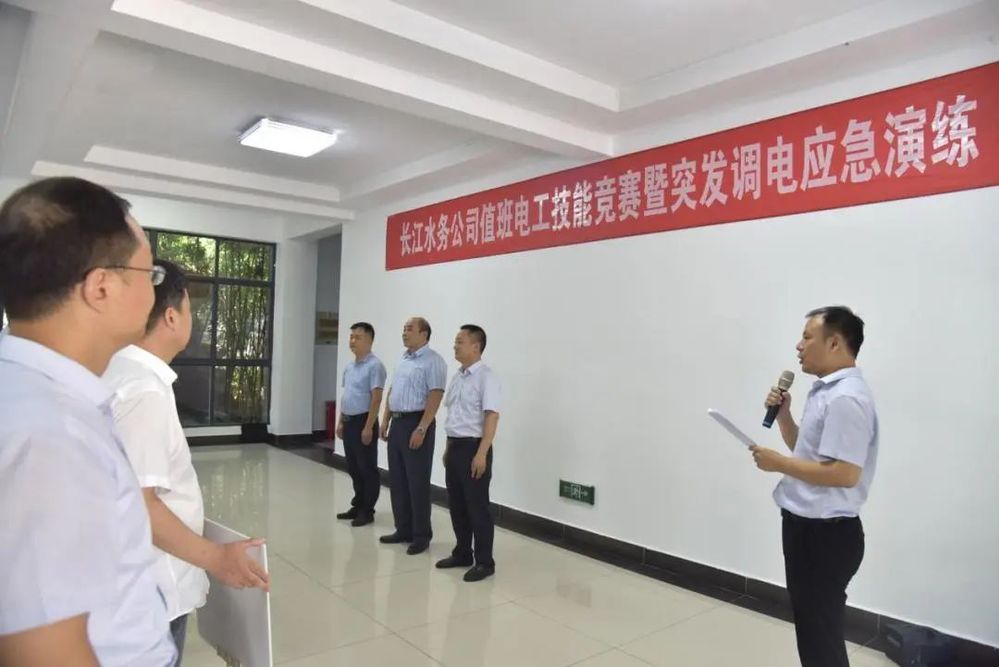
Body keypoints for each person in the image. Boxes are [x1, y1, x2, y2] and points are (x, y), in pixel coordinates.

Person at [0, 177, 177, 666]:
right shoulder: (50, 434)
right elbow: (45, 653)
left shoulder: (30, 392)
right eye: (149, 274)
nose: (154, 291)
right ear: (101, 286)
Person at [103, 259, 270, 665]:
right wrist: (216, 558)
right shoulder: (144, 392)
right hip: (151, 592)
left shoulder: (115, 370)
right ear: (171, 316)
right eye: (190, 308)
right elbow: (138, 505)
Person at [750, 306, 878, 667]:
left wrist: (778, 464)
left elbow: (845, 474)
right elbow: (809, 456)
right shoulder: (825, 391)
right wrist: (785, 416)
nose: (799, 346)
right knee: (813, 633)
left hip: (826, 537)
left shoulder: (846, 398)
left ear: (834, 343)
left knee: (820, 639)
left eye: (807, 337)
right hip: (806, 528)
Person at [436, 324, 501, 582]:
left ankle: (485, 562)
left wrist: (481, 454)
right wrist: (447, 449)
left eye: (459, 342)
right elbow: (453, 416)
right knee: (457, 505)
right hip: (455, 447)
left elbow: (492, 416)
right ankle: (463, 552)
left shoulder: (487, 377)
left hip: (474, 448)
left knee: (477, 507)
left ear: (476, 346)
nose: (455, 346)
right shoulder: (458, 377)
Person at [379, 317, 447, 555]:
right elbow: (393, 390)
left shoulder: (433, 361)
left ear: (424, 334)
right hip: (398, 422)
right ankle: (403, 529)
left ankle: (421, 535)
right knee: (398, 480)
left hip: (416, 423)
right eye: (403, 329)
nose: (404, 333)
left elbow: (435, 395)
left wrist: (422, 428)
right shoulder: (403, 359)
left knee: (417, 482)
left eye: (409, 329)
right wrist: (385, 418)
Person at [335, 321, 387, 527]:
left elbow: (376, 398)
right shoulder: (349, 367)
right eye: (351, 337)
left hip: (363, 422)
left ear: (369, 341)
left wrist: (368, 426)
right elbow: (346, 396)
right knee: (353, 467)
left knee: (367, 468)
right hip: (349, 422)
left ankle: (367, 510)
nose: (353, 341)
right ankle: (357, 505)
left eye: (358, 337)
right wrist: (340, 422)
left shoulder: (375, 366)